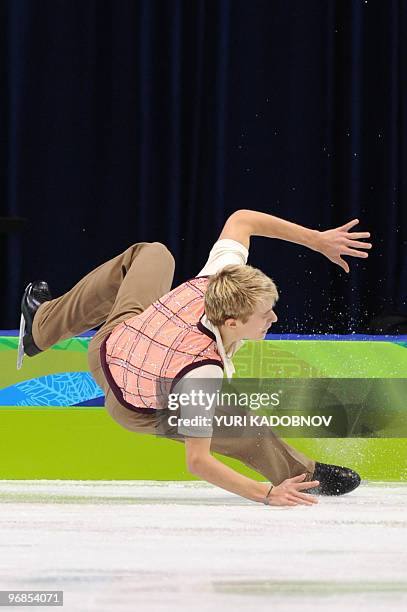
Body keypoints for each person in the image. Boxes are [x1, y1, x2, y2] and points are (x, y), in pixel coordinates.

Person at [17, 209, 371, 507]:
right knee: (241, 422)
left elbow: (243, 219)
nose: (274, 318)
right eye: (266, 314)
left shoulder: (219, 280)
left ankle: (41, 327)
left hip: (114, 341)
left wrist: (318, 240)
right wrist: (265, 495)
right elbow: (198, 461)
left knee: (154, 255)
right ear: (232, 322)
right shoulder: (202, 373)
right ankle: (301, 477)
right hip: (132, 404)